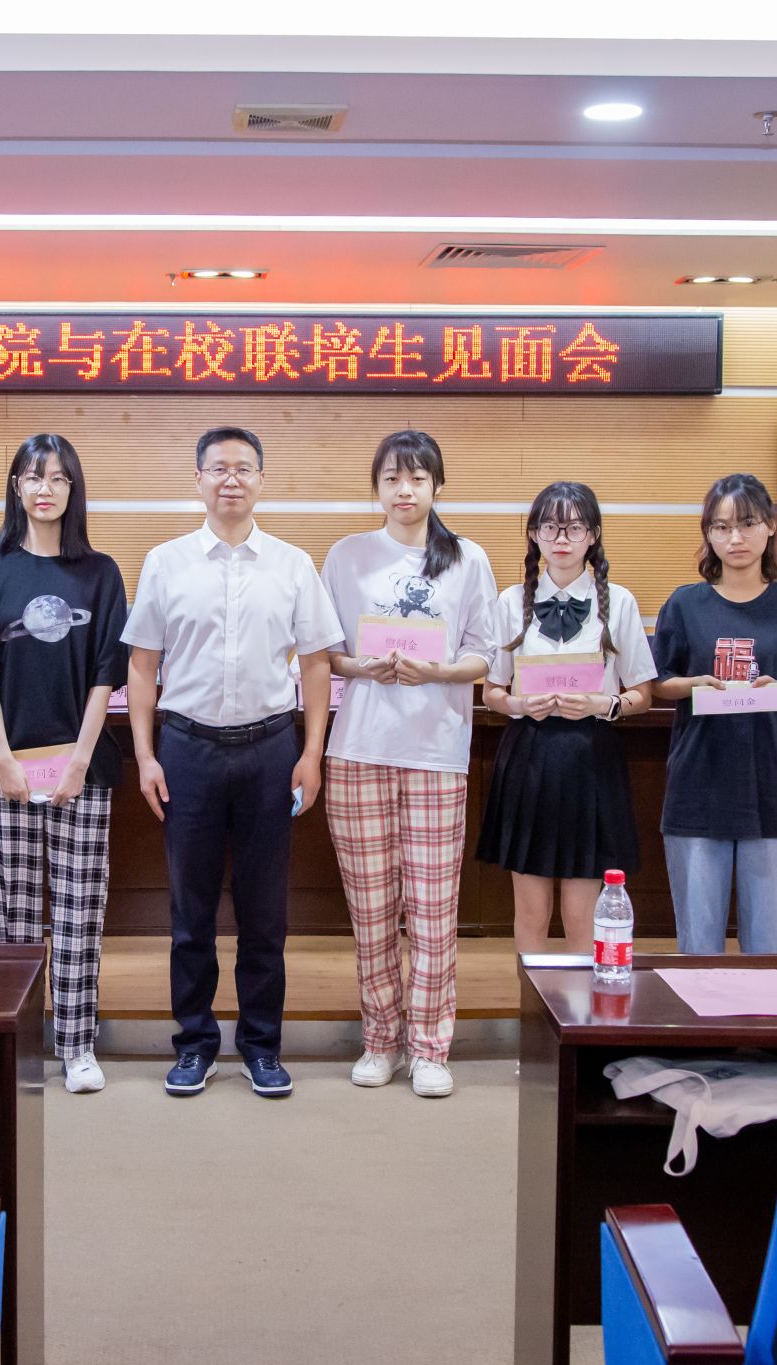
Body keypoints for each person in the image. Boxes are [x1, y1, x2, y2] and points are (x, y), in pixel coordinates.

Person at [123, 426, 342, 1099]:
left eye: (244, 468)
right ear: (198, 480)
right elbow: (142, 665)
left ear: (261, 480)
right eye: (218, 468)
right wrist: (145, 755)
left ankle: (261, 1045)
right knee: (189, 912)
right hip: (186, 750)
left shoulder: (292, 564)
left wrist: (311, 753)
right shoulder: (165, 562)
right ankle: (193, 1044)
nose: (231, 479)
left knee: (264, 912)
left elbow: (316, 664)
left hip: (270, 750)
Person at [320, 431, 496, 1099]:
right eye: (393, 477)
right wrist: (362, 666)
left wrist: (437, 671)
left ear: (437, 487)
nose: (405, 490)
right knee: (371, 912)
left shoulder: (467, 558)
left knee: (433, 910)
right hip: (358, 751)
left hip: (436, 753)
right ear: (377, 487)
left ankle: (429, 1047)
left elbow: (483, 654)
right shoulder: (347, 555)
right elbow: (327, 651)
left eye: (418, 478)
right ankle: (379, 1040)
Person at [0, 436, 127, 1092]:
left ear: (73, 489)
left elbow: (106, 676)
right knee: (12, 916)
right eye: (32, 476)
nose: (44, 488)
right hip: (4, 767)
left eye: (57, 478)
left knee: (81, 909)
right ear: (16, 487)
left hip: (81, 767)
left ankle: (77, 1044)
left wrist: (81, 760)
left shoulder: (100, 573)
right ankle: (19, 1043)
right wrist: (3, 757)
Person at [479, 481, 655, 954]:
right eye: (550, 527)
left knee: (582, 913)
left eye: (574, 528)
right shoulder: (509, 601)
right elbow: (492, 691)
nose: (561, 538)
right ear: (533, 534)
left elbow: (643, 692)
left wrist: (604, 704)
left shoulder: (619, 601)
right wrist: (519, 705)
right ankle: (530, 1001)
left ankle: (582, 1004)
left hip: (590, 756)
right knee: (530, 911)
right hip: (529, 755)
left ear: (592, 535)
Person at [650, 474, 777, 953]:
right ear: (708, 533)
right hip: (697, 783)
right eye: (722, 527)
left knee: (768, 948)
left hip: (771, 785)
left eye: (747, 524)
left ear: (770, 526)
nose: (735, 538)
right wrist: (696, 684)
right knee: (698, 945)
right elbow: (659, 682)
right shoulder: (684, 603)